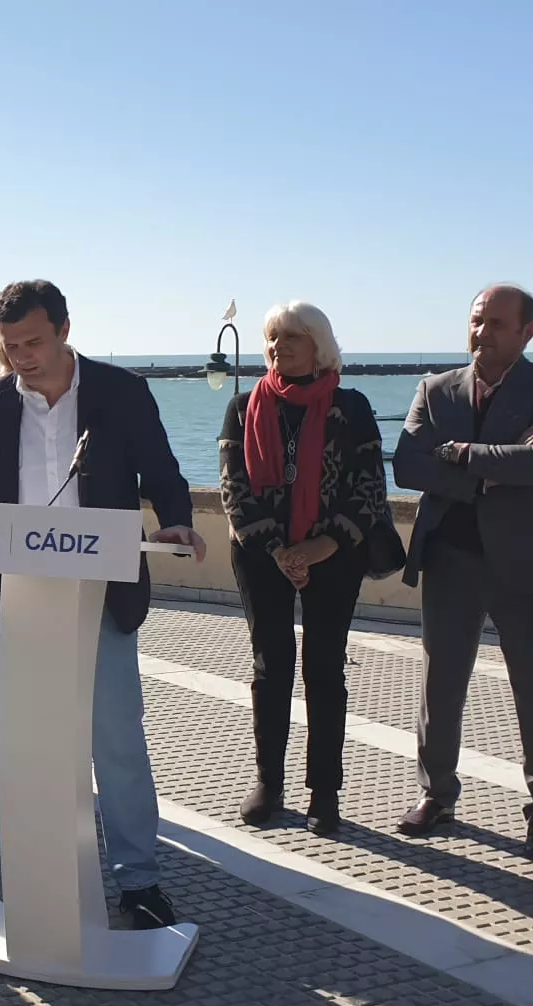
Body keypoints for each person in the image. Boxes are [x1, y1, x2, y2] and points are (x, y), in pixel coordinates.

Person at [0, 280, 205, 931]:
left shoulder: (120, 392)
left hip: (101, 593)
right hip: (24, 596)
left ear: (65, 329)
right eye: (11, 346)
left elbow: (162, 471)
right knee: (32, 748)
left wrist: (176, 521)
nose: (22, 357)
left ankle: (140, 882)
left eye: (33, 342)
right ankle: (42, 877)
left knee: (116, 738)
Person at [392, 285, 533, 856]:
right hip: (450, 556)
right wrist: (491, 470)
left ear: (527, 332)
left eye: (497, 323)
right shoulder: (435, 388)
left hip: (526, 561)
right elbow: (405, 463)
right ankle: (437, 794)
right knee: (440, 686)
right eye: (477, 321)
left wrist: (459, 452)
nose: (482, 333)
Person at [218, 302, 390, 835]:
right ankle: (269, 781)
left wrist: (321, 547)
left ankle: (325, 790)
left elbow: (369, 490)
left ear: (319, 344)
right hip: (260, 555)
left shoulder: (351, 407)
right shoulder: (244, 406)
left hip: (335, 556)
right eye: (271, 337)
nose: (277, 346)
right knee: (271, 668)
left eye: (291, 337)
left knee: (325, 669)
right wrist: (280, 551)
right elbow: (234, 489)